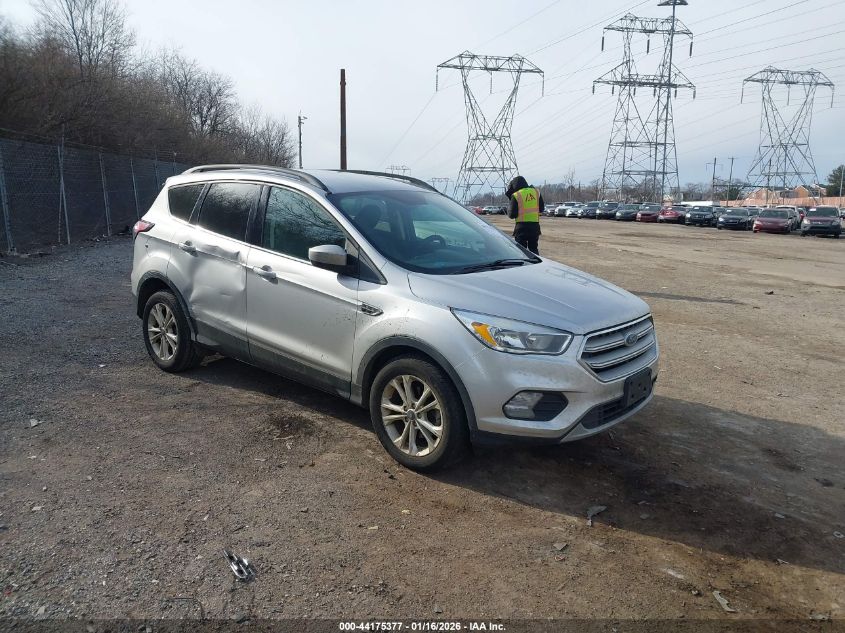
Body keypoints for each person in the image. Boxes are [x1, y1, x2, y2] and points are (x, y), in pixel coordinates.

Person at [505, 175, 543, 255]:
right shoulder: (536, 192)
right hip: (535, 227)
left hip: (521, 228)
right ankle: (536, 266)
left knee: (521, 251)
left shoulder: (516, 195)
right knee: (534, 249)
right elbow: (541, 209)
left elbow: (511, 215)